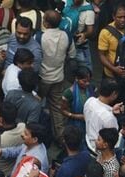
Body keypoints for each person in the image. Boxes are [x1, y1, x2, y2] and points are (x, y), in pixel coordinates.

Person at [39, 10, 76, 143]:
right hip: (59, 78)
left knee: (36, 104)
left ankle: (37, 134)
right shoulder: (67, 35)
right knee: (57, 109)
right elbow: (72, 55)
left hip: (42, 79)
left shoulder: (40, 37)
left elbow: (36, 57)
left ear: (46, 22)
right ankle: (62, 139)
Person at [83, 80, 122, 153]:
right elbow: (113, 139)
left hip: (87, 142)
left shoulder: (89, 101)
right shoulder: (109, 118)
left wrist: (111, 111)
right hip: (99, 152)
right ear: (113, 94)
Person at [61, 67, 95, 143]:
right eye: (84, 81)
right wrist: (75, 116)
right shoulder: (69, 93)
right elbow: (63, 110)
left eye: (89, 81)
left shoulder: (91, 88)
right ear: (76, 79)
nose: (87, 83)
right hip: (75, 123)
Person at [64, 0, 96, 70]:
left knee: (84, 69)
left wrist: (84, 34)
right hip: (62, 41)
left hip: (78, 44)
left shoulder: (88, 10)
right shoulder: (65, 2)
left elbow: (90, 31)